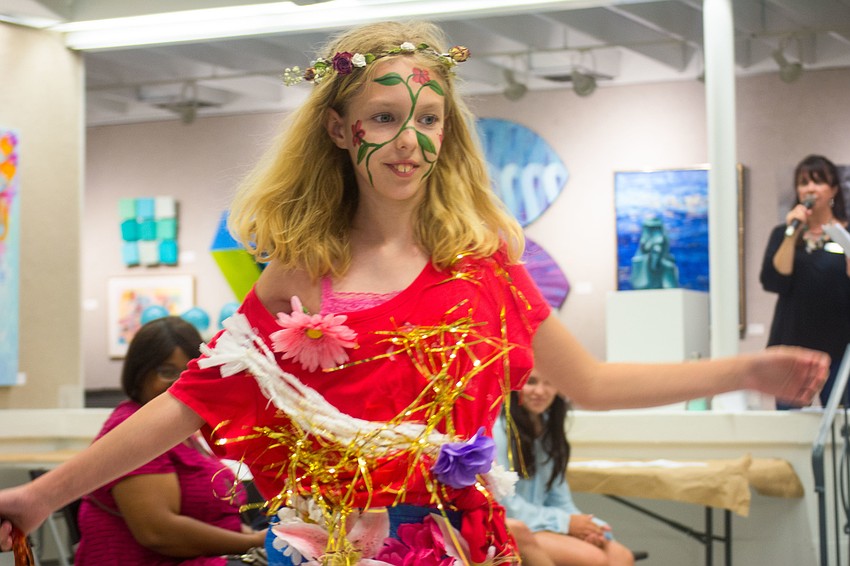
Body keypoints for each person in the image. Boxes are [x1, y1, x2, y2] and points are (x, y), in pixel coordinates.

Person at [0, 21, 829, 566]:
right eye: (386, 116)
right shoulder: (300, 270)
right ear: (340, 128)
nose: (411, 141)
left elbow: (594, 385)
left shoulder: (484, 266)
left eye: (428, 119)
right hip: (331, 546)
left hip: (461, 545)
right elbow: (189, 400)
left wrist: (744, 373)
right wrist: (41, 495)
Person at [74, 316, 266, 565]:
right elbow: (158, 532)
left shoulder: (181, 432)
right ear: (139, 372)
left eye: (189, 371)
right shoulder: (134, 428)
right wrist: (256, 542)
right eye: (167, 371)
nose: (180, 382)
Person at [494, 375, 635, 566]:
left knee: (620, 555)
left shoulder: (548, 428)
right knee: (594, 559)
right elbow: (507, 506)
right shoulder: (498, 430)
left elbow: (561, 500)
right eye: (532, 382)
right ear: (515, 385)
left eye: (549, 382)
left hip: (543, 523)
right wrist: (564, 523)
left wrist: (591, 529)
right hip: (510, 525)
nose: (540, 392)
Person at [760, 154, 850, 410]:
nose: (810, 188)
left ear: (833, 189)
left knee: (842, 425)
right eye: (803, 183)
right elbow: (774, 280)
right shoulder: (783, 233)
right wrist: (792, 233)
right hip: (793, 342)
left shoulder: (846, 234)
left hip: (840, 344)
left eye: (818, 182)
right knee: (788, 423)